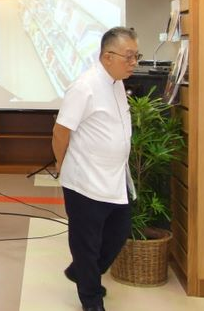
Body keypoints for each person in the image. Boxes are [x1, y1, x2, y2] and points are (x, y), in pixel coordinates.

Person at [52, 27, 140, 311]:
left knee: (118, 233)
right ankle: (91, 300)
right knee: (86, 243)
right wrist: (62, 164)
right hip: (85, 181)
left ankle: (81, 272)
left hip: (115, 178)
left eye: (136, 56)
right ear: (107, 56)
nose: (134, 62)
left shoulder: (116, 83)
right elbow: (61, 132)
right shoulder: (85, 86)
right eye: (129, 56)